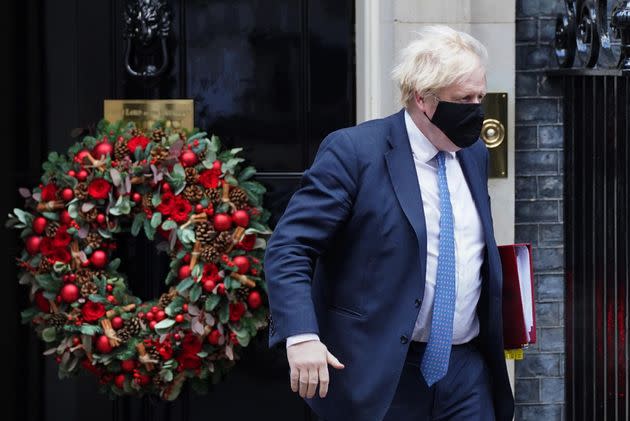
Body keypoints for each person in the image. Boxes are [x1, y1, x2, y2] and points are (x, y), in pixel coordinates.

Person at [264, 25, 514, 421]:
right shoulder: (354, 152)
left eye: (480, 96)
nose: (477, 110)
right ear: (423, 98)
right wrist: (301, 335)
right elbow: (290, 247)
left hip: (466, 374)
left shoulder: (474, 155)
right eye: (464, 99)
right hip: (384, 374)